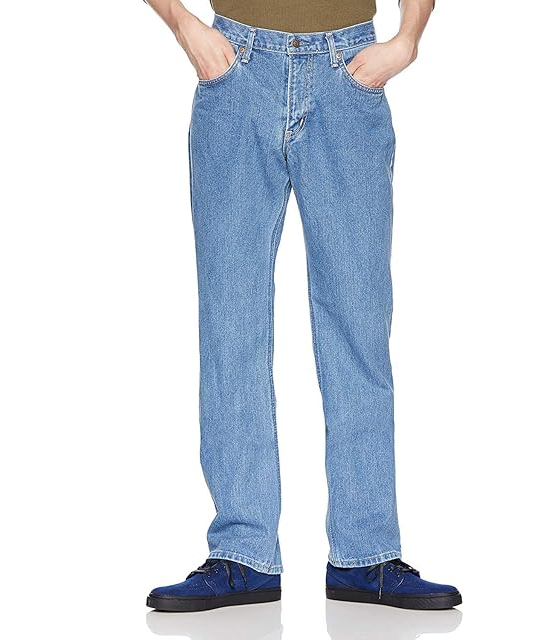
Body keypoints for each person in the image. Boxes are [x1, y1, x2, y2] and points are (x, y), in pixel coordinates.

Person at [142, 0, 461, 612]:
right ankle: (242, 554)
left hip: (349, 74)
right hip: (237, 70)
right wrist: (185, 26)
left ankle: (365, 555)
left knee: (359, 328)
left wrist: (407, 40)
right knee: (231, 325)